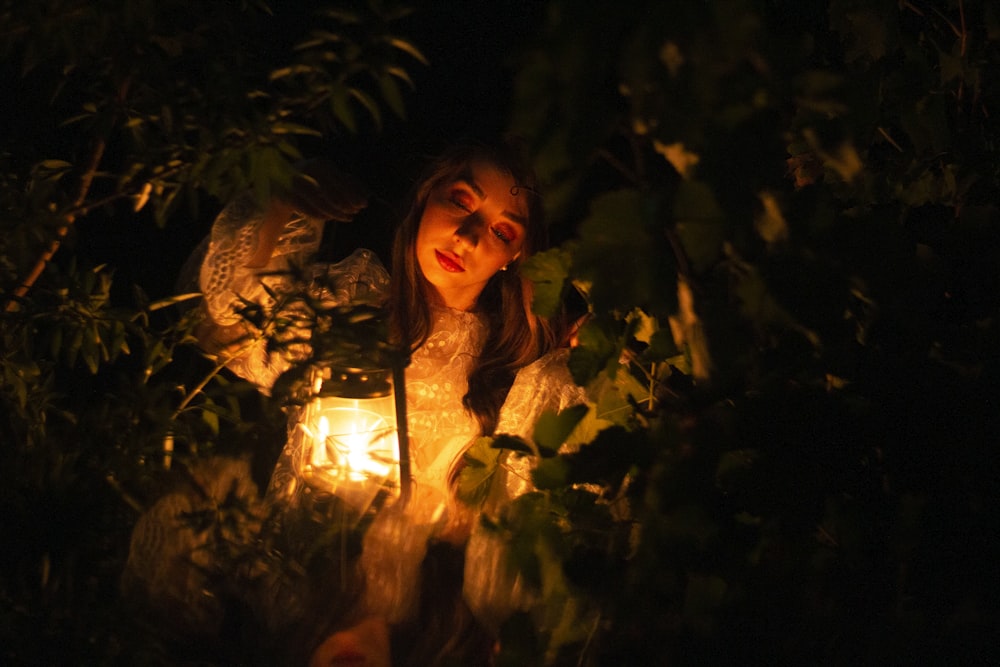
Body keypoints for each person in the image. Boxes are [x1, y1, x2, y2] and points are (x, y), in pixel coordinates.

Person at [135, 138, 589, 664]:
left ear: (516, 257)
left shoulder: (514, 379)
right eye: (461, 201)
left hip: (428, 629)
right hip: (301, 596)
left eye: (501, 229)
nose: (466, 237)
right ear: (426, 197)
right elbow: (226, 320)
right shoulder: (348, 311)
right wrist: (282, 198)